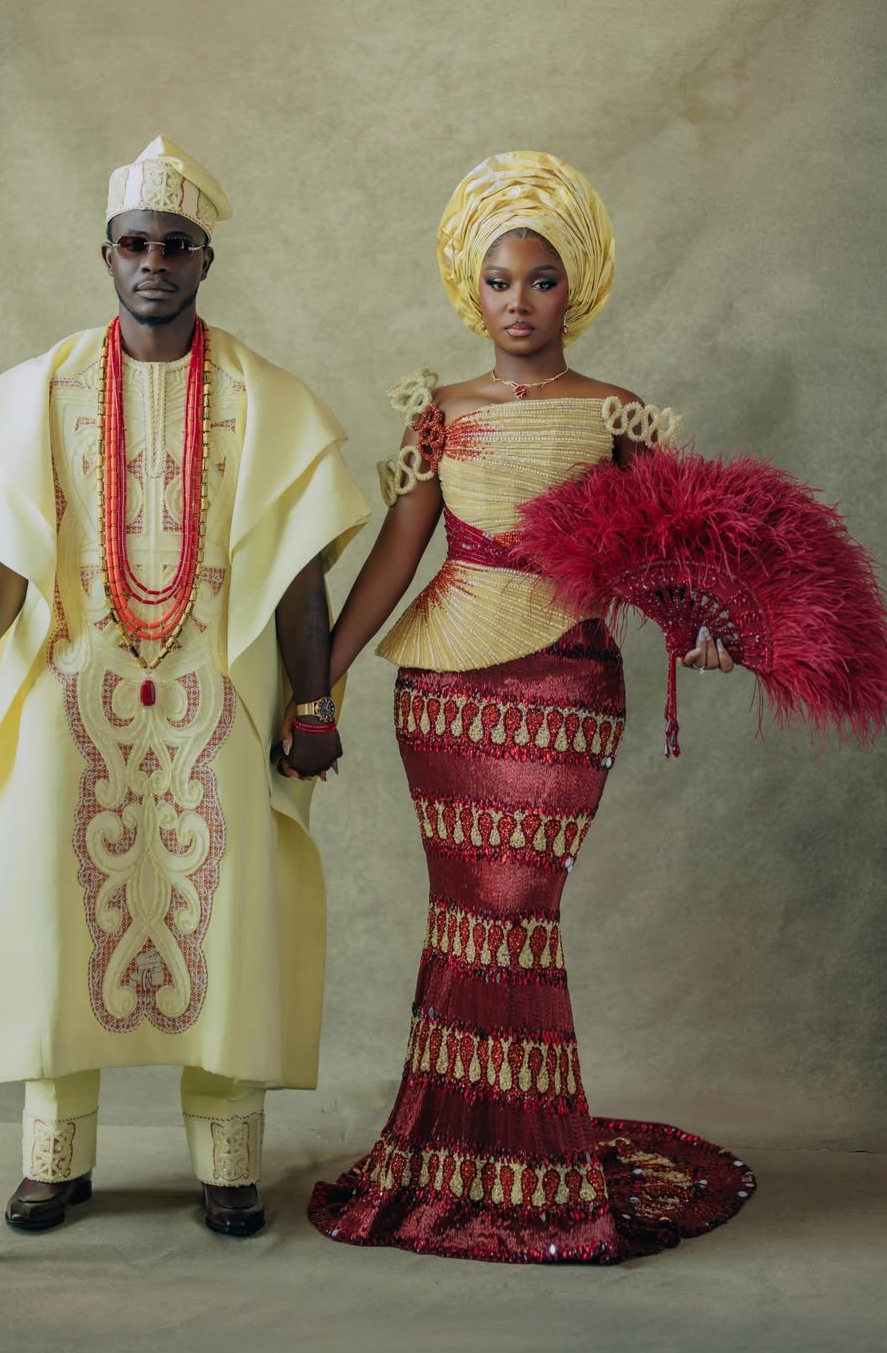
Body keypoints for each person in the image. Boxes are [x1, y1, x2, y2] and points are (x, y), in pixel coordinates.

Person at [306, 151, 753, 1263]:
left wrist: (706, 627)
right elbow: (397, 555)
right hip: (445, 691)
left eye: (541, 280)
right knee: (465, 916)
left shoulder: (621, 416)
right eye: (499, 280)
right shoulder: (438, 413)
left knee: (514, 913)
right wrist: (328, 671)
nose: (518, 302)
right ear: (473, 285)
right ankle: (445, 1156)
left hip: (566, 682)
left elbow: (662, 556)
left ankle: (529, 1164)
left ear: (579, 286)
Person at [0, 136, 369, 1237]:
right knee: (49, 905)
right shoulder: (51, 387)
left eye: (176, 245)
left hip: (217, 696)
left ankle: (226, 1161)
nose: (154, 261)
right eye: (135, 243)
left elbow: (303, 570)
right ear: (106, 253)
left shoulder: (263, 398)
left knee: (227, 915)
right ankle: (54, 1157)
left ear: (207, 260)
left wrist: (312, 704)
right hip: (77, 691)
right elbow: (6, 544)